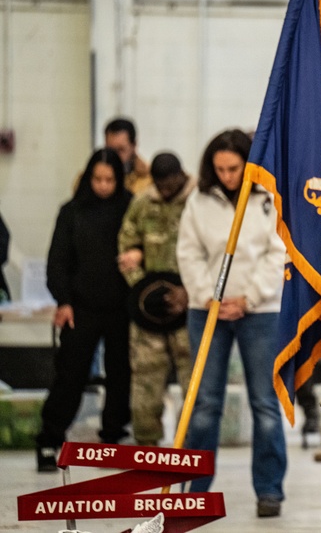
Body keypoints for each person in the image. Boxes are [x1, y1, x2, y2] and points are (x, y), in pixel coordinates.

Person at [176, 129, 287, 517]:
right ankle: (193, 488)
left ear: (248, 164)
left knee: (264, 402)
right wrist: (209, 296)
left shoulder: (268, 197)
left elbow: (278, 252)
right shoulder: (199, 200)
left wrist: (249, 298)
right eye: (220, 169)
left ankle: (269, 490)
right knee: (204, 403)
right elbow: (188, 252)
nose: (227, 176)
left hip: (259, 310)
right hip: (206, 309)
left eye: (234, 168)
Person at [36, 148, 133, 471]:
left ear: (119, 180)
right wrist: (62, 300)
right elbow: (57, 262)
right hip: (81, 307)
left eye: (109, 179)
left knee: (121, 375)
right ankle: (50, 439)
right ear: (88, 178)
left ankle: (113, 438)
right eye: (97, 179)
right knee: (70, 375)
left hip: (122, 308)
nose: (103, 185)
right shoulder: (72, 211)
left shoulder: (130, 207)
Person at [117, 152, 196, 447]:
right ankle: (147, 446)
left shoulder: (199, 200)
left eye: (169, 185)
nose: (164, 191)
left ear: (181, 176)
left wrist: (194, 291)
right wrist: (142, 288)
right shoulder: (142, 203)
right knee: (145, 381)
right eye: (159, 185)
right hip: (148, 310)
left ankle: (190, 448)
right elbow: (126, 245)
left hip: (190, 307)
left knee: (194, 384)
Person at [104, 117, 152, 195]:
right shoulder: (92, 178)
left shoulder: (149, 179)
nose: (115, 155)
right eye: (110, 150)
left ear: (134, 145)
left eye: (121, 150)